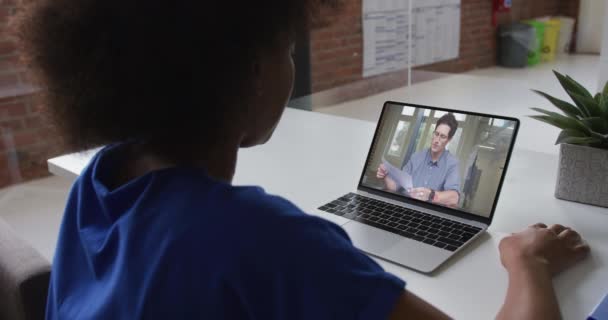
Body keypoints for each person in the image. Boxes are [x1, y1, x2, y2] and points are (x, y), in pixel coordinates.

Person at [15, 0, 590, 319]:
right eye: (288, 49)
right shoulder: (261, 238)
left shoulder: (99, 180)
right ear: (251, 73)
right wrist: (526, 262)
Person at [377, 113, 461, 207]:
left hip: (428, 213)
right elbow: (394, 187)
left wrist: (431, 195)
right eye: (436, 134)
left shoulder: (452, 164)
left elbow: (454, 198)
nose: (437, 140)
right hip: (404, 206)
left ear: (449, 140)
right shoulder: (416, 157)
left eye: (442, 136)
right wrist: (385, 176)